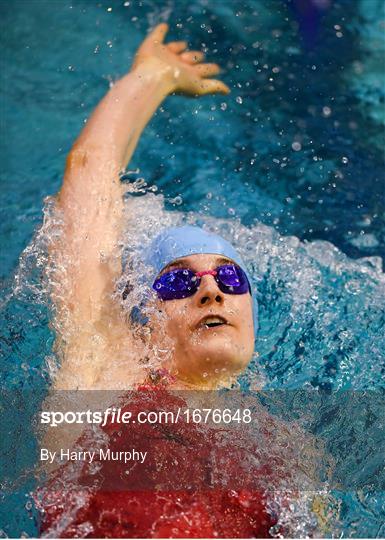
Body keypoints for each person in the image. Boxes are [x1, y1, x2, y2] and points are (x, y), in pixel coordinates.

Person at [36, 23, 283, 538]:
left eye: (229, 277)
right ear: (144, 322)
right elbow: (89, 175)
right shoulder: (109, 377)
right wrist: (151, 77)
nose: (210, 290)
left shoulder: (287, 447)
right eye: (176, 283)